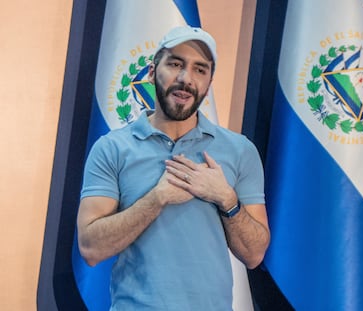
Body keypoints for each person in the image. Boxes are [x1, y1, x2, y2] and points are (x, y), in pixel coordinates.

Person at [77, 25, 270, 311]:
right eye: (175, 64)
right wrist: (157, 199)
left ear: (209, 81)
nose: (185, 79)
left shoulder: (240, 150)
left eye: (200, 70)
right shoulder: (111, 148)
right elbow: (91, 249)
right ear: (153, 71)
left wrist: (226, 199)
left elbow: (254, 254)